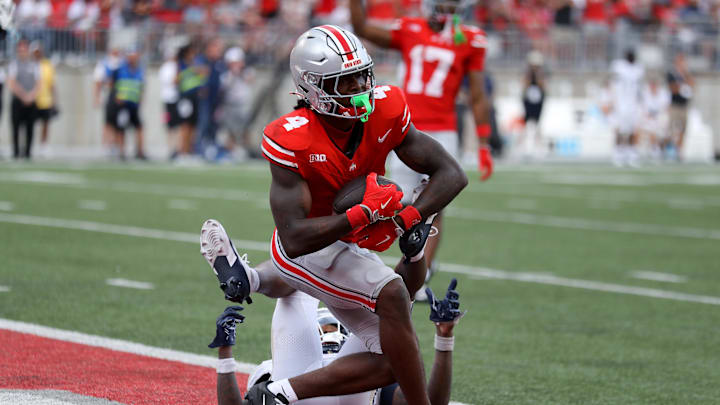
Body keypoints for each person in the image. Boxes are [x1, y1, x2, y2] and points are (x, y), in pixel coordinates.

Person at [200, 25, 467, 405]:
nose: (361, 86)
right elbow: (293, 238)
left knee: (398, 354)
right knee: (392, 296)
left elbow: (452, 173)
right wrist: (360, 215)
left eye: (363, 74)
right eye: (346, 81)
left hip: (345, 246)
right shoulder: (292, 137)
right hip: (304, 251)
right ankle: (258, 284)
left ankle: (276, 392)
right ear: (312, 87)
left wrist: (409, 219)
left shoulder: (385, 109)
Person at [350, 0, 492, 298]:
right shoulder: (409, 28)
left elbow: (478, 94)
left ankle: (420, 274)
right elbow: (361, 28)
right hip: (408, 128)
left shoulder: (469, 39)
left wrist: (483, 140)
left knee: (436, 205)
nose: (447, 9)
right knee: (394, 200)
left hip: (443, 129)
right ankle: (399, 264)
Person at [208, 279, 464, 405]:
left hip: (340, 390)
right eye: (325, 327)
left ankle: (253, 277)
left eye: (334, 327)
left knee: (298, 288)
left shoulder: (371, 369)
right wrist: (225, 353)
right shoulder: (276, 366)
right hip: (307, 389)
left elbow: (426, 402)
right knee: (389, 313)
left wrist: (444, 338)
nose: (330, 334)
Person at [108, 47, 146, 160]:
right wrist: (116, 96)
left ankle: (140, 152)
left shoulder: (139, 70)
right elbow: (112, 83)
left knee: (139, 127)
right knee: (121, 128)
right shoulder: (120, 69)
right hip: (122, 104)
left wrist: (140, 97)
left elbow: (141, 86)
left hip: (134, 104)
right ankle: (121, 152)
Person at [609, 49, 644, 167]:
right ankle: (618, 152)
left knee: (632, 129)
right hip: (621, 103)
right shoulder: (619, 66)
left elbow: (638, 87)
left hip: (633, 103)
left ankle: (631, 152)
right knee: (620, 129)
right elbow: (614, 80)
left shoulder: (638, 69)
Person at [8, 39, 39, 160]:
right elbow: (12, 83)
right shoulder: (14, 65)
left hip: (31, 100)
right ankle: (16, 152)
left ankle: (27, 153)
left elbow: (39, 83)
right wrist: (23, 95)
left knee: (30, 128)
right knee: (16, 127)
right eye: (20, 51)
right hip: (18, 100)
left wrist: (31, 95)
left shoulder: (34, 65)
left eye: (24, 50)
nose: (22, 53)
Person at [176, 42, 207, 157]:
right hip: (186, 97)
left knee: (194, 125)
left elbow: (204, 74)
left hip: (195, 97)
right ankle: (183, 151)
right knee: (185, 124)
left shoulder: (197, 64)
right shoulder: (181, 64)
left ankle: (190, 150)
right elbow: (176, 80)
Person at [93, 47, 123, 157]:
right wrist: (97, 97)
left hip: (120, 97)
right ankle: (106, 145)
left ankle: (116, 145)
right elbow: (98, 82)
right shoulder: (104, 64)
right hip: (109, 96)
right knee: (108, 122)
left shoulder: (122, 63)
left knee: (118, 123)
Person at [518, 50, 545, 158]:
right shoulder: (527, 74)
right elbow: (524, 85)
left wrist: (538, 74)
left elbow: (542, 85)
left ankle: (539, 148)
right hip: (528, 102)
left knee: (537, 124)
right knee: (525, 124)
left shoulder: (541, 74)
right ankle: (522, 148)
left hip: (538, 102)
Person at [32, 42, 56, 159]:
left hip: (45, 98)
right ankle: (30, 145)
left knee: (45, 124)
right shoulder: (30, 65)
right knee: (30, 124)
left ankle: (44, 145)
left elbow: (52, 84)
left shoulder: (47, 65)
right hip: (32, 99)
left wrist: (54, 99)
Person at [667, 53, 694, 159]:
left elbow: (692, 84)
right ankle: (670, 149)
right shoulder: (672, 74)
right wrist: (682, 86)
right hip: (675, 105)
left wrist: (685, 76)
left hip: (684, 106)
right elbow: (673, 88)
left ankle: (679, 150)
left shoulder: (686, 74)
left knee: (683, 129)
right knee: (672, 129)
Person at [159, 47, 181, 160]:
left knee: (176, 125)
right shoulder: (167, 67)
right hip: (169, 100)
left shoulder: (175, 66)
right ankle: (170, 148)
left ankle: (176, 148)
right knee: (170, 126)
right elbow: (174, 81)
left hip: (176, 99)